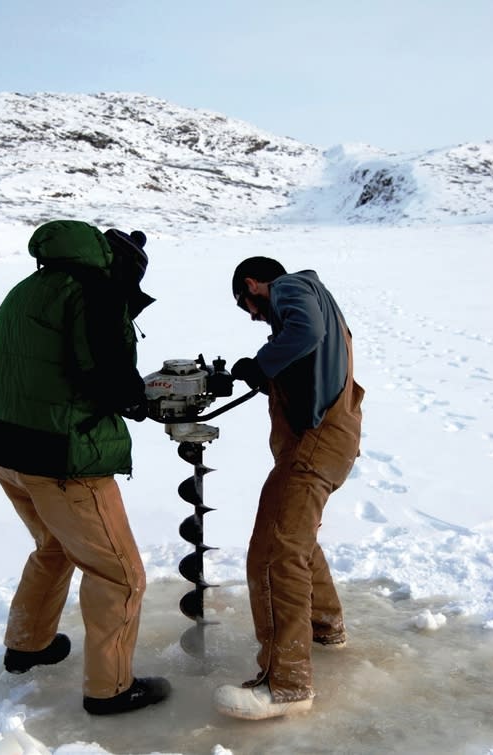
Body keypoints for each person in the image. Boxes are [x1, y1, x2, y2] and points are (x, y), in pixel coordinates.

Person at [0, 219, 171, 715]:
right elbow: (104, 375)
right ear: (117, 265)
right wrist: (138, 400)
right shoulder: (95, 293)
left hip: (4, 446)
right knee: (119, 574)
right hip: (62, 458)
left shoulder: (31, 287)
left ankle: (28, 643)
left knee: (53, 547)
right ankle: (111, 689)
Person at [213, 256, 364, 721]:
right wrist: (259, 374)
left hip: (318, 446)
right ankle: (324, 628)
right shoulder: (310, 299)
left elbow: (305, 331)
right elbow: (305, 351)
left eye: (247, 306)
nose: (255, 316)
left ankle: (287, 684)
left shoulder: (292, 288)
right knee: (294, 538)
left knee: (276, 552)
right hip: (326, 442)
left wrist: (262, 366)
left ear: (253, 285)